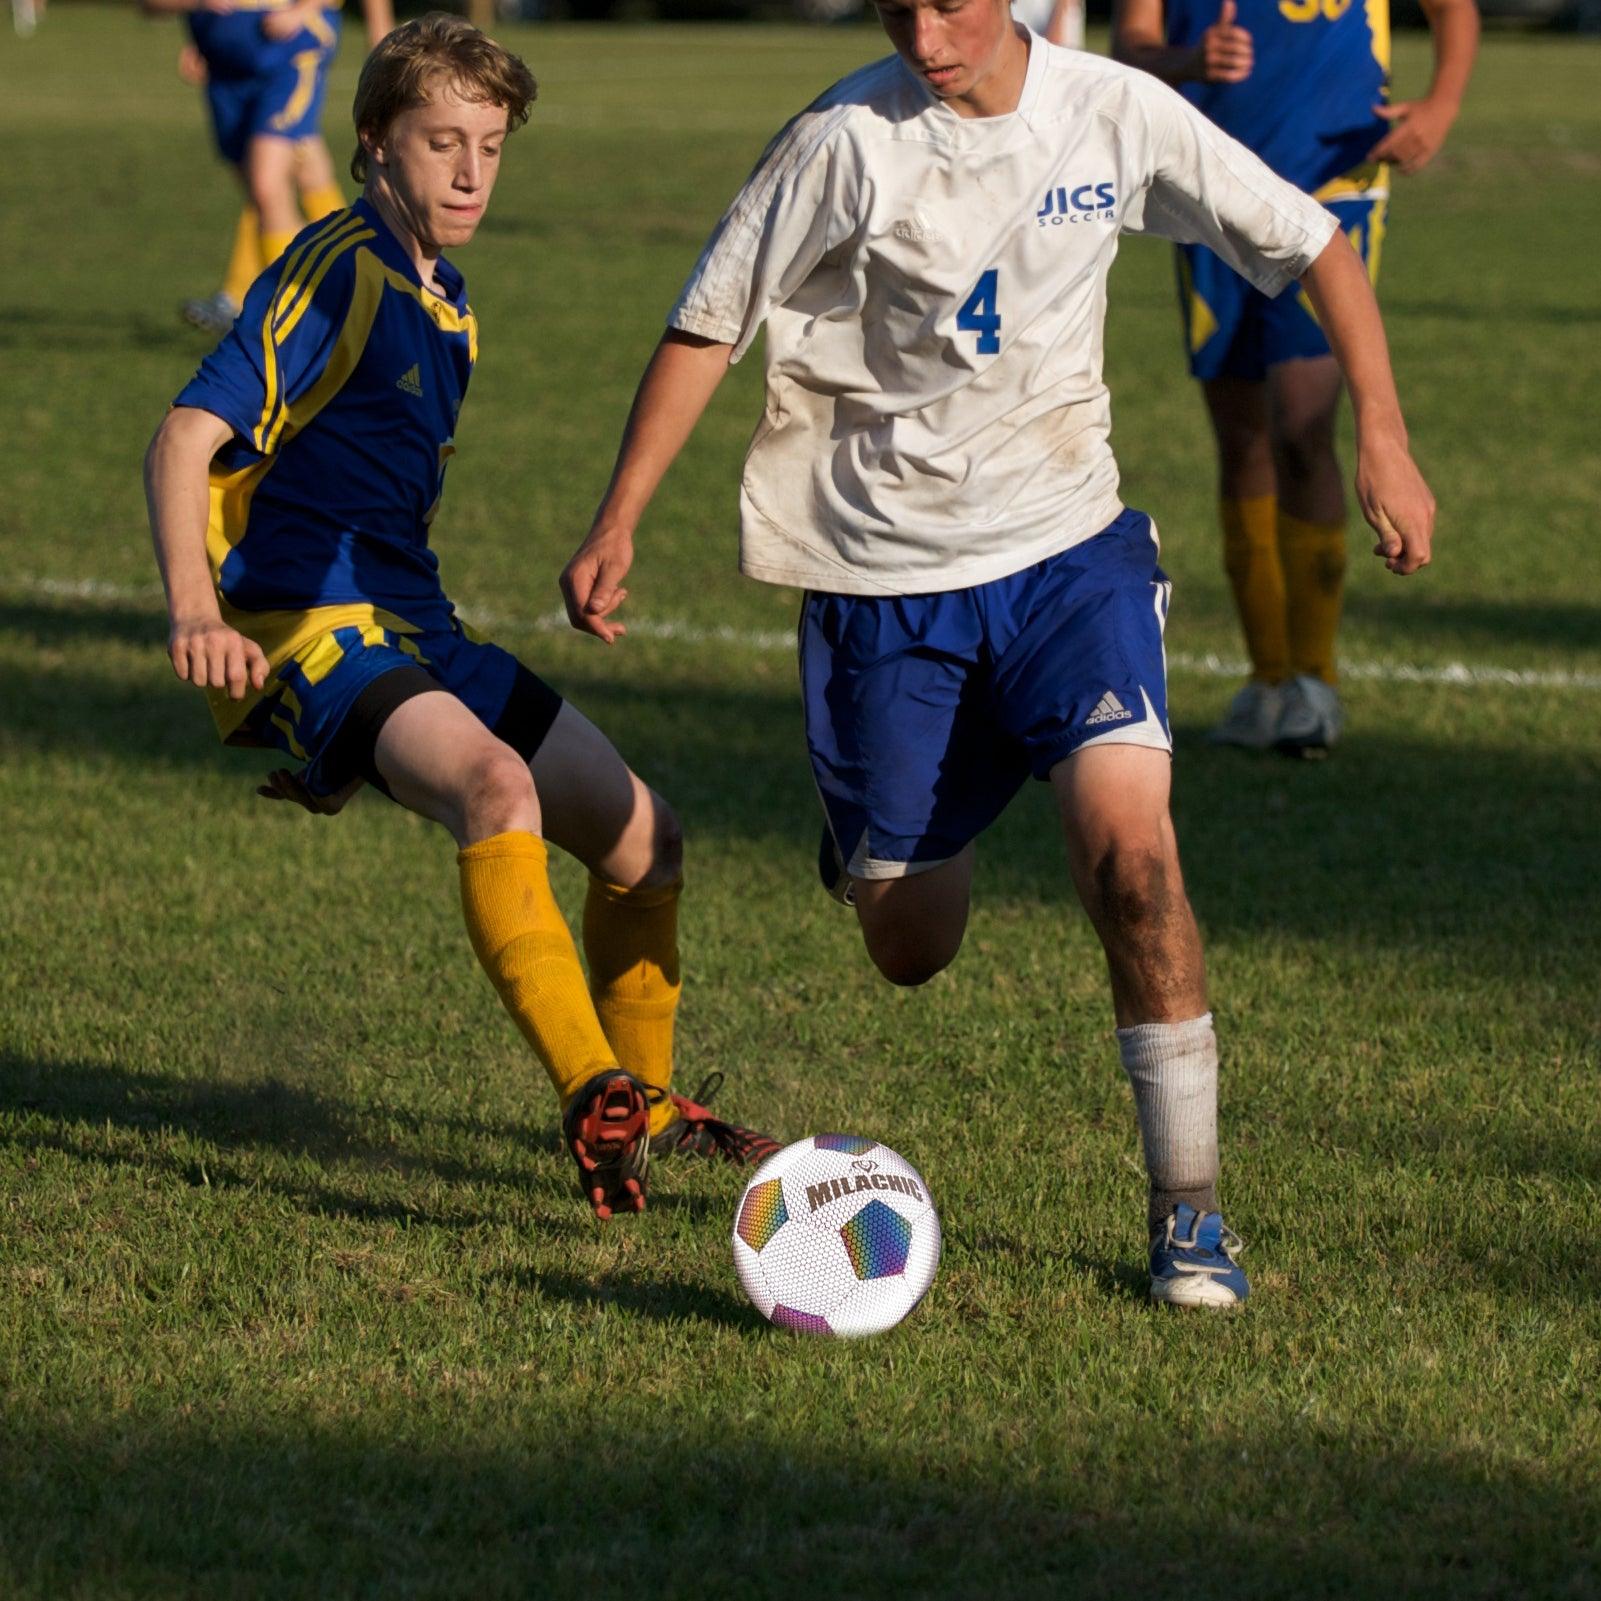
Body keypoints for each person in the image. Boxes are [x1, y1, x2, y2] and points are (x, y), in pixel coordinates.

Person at [561, 0, 1433, 1304]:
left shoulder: (1110, 110)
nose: (925, 31)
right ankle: (872, 829)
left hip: (1066, 553)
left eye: (954, 2)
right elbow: (710, 318)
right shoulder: (843, 139)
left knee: (1133, 864)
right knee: (911, 945)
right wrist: (618, 514)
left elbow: (1313, 244)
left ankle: (1188, 1215)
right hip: (882, 584)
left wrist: (1384, 434)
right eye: (898, 4)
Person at [143, 13, 777, 1222]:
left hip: (415, 626)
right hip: (317, 624)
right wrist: (196, 617)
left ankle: (639, 1101)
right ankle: (592, 1090)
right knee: (499, 793)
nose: (473, 172)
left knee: (651, 840)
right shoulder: (338, 267)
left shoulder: (449, 300)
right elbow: (184, 437)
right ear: (375, 141)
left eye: (491, 144)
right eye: (443, 143)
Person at [1113, 0, 1477, 754]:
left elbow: (1453, 9)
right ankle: (1265, 678)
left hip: (1332, 180)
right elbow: (1132, 43)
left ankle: (1314, 680)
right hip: (1208, 193)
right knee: (1241, 439)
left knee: (1302, 427)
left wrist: (1441, 103)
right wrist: (1189, 61)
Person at [144, 0, 396, 335]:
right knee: (295, 176)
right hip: (228, 70)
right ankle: (363, 281)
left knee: (266, 184)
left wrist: (302, 11)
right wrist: (205, 26)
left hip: (290, 52)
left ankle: (293, 310)